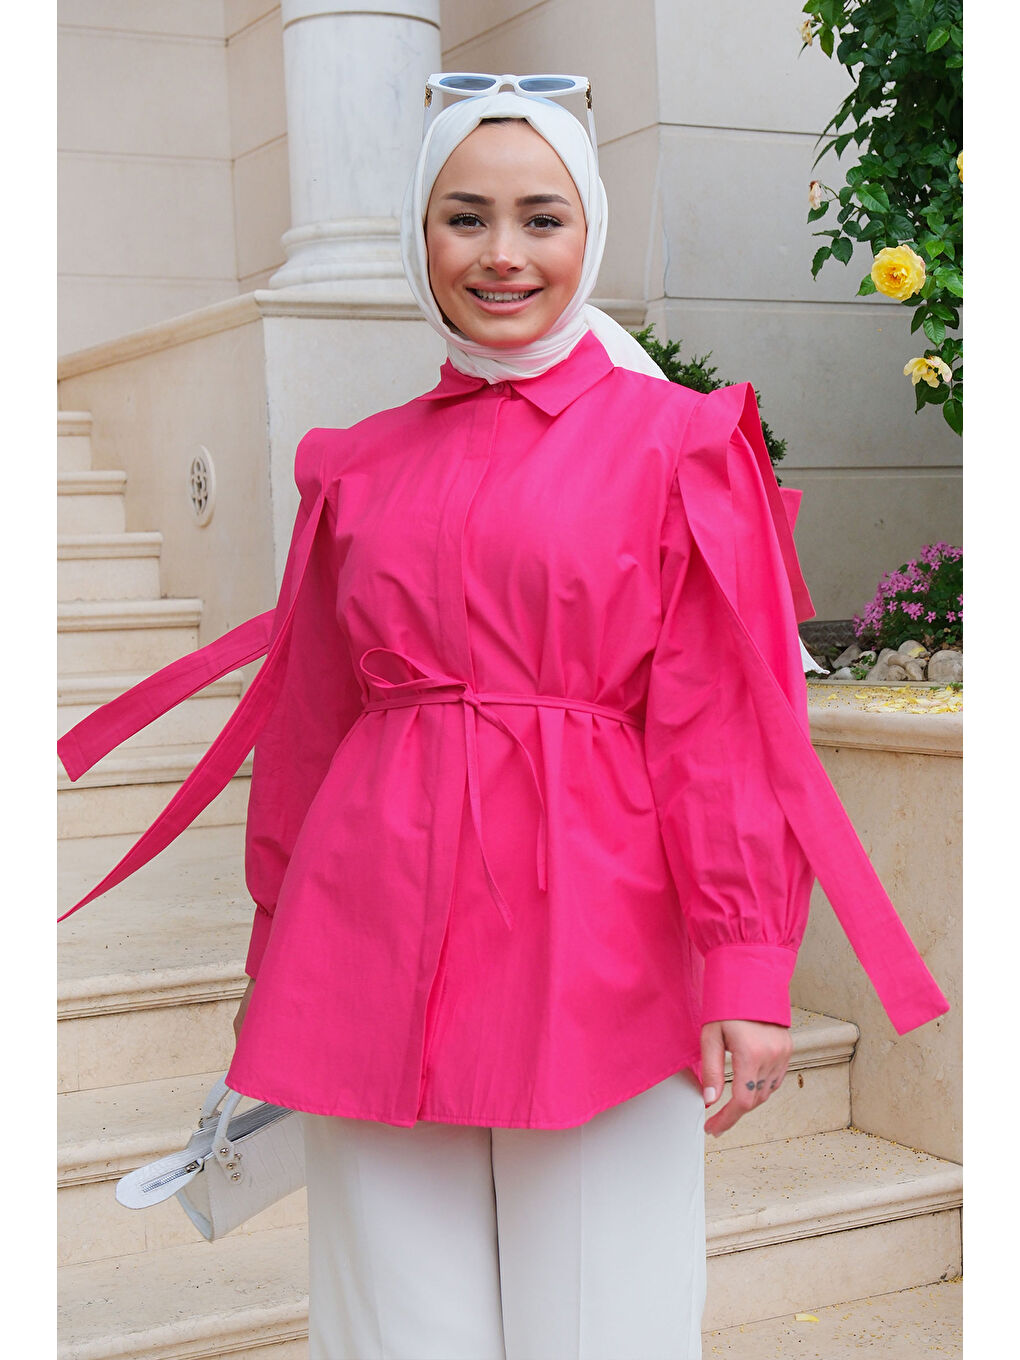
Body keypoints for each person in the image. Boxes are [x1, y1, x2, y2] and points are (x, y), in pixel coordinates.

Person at [59, 75, 949, 1360]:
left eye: (542, 218)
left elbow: (717, 727)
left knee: (605, 1322)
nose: (502, 254)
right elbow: (309, 727)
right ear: (420, 236)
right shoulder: (359, 463)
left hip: (598, 938)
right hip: (367, 936)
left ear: (590, 231)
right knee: (393, 1328)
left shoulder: (679, 443)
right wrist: (276, 945)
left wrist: (748, 965)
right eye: (464, 217)